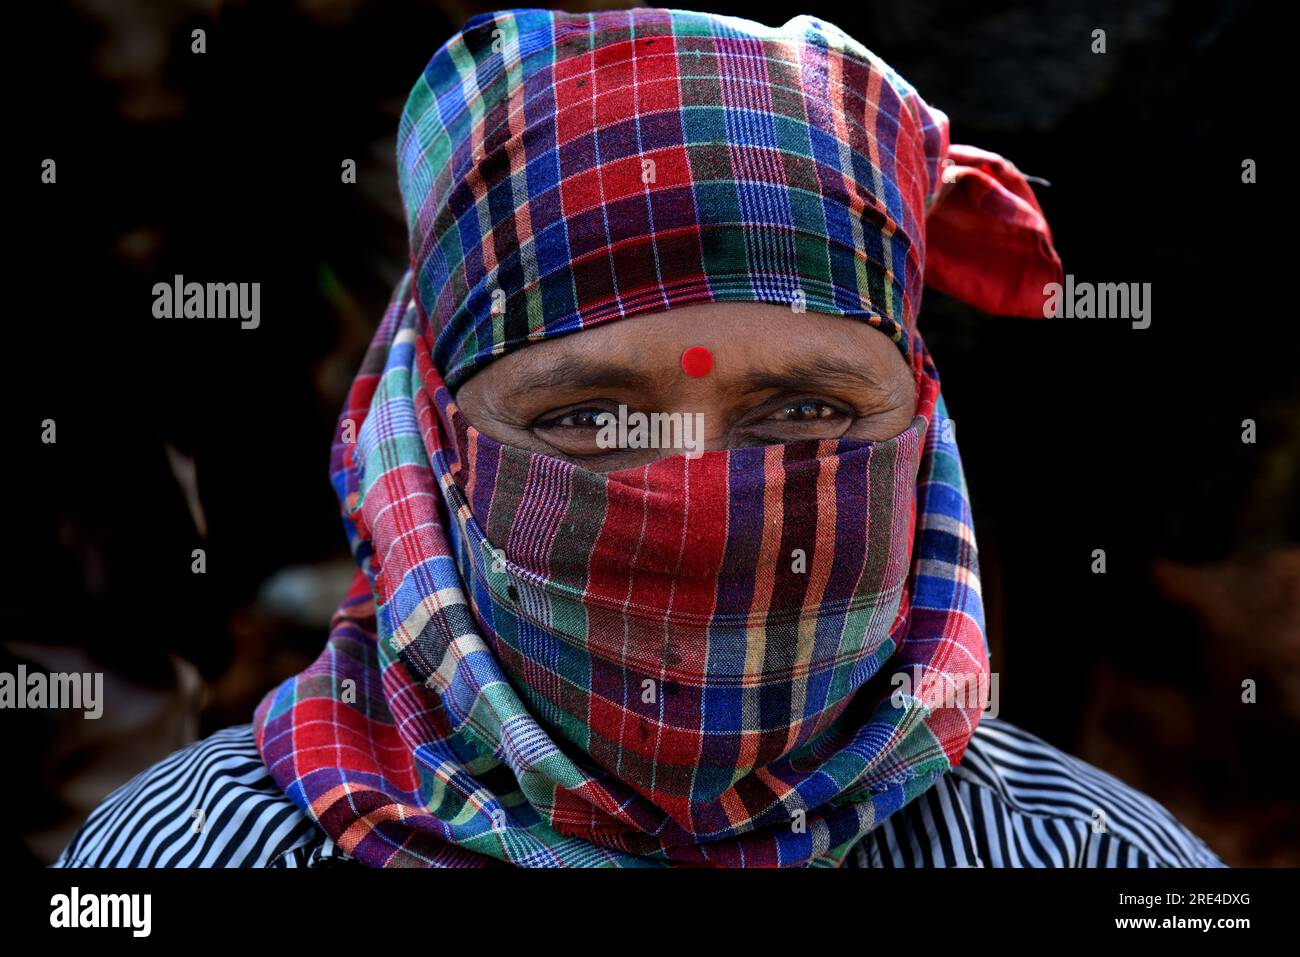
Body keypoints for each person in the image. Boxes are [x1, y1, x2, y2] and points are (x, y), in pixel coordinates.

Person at [53, 6, 1224, 868]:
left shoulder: (1098, 861)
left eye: (807, 414)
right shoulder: (182, 859)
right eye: (594, 418)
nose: (707, 502)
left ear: (923, 433)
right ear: (435, 451)